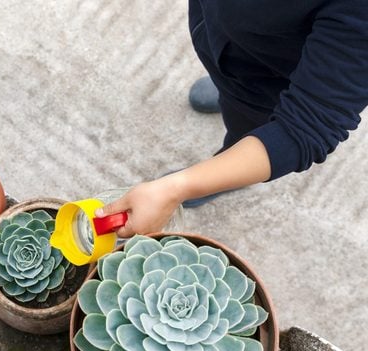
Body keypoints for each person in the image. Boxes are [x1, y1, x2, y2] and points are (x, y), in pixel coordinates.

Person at [96, 0, 368, 237]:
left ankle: (222, 168)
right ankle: (227, 83)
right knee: (226, 72)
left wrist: (178, 187)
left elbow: (304, 130)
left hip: (266, 83)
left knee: (246, 127)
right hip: (227, 35)